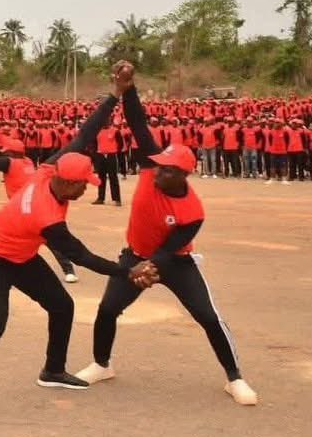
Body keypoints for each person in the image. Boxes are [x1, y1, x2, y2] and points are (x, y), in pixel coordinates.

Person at [0, 78, 157, 419]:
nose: (86, 191)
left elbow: (85, 134)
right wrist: (127, 271)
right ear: (69, 182)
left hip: (21, 255)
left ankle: (53, 370)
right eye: (84, 186)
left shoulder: (48, 170)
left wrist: (115, 95)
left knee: (61, 305)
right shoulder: (46, 214)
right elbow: (82, 256)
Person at [76, 62, 258, 406]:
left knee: (208, 316)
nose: (157, 170)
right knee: (107, 309)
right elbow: (138, 122)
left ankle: (235, 378)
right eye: (157, 164)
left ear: (183, 176)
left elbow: (168, 247)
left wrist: (149, 267)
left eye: (166, 169)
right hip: (134, 255)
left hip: (175, 261)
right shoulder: (150, 166)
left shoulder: (193, 211)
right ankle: (102, 364)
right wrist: (128, 87)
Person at [0, 137, 79, 284]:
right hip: (32, 206)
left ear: (12, 153)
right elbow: (4, 159)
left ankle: (68, 270)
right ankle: (67, 270)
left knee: (46, 239)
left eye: (6, 152)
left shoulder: (10, 163)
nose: (4, 154)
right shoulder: (28, 161)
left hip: (24, 211)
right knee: (41, 239)